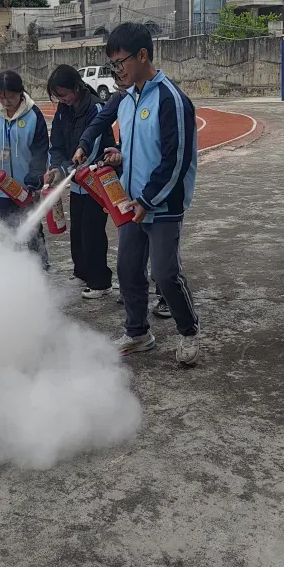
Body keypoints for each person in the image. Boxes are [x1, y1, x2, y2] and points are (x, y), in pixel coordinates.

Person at [85, 23, 200, 366]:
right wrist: (119, 156)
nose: (116, 70)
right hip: (131, 202)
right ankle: (138, 333)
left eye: (120, 62)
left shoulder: (171, 99)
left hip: (162, 205)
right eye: (112, 65)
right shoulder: (127, 100)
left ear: (143, 56)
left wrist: (148, 199)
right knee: (128, 269)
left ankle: (189, 331)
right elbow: (137, 147)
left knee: (164, 274)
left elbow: (175, 159)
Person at [74, 78, 171, 320]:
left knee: (163, 260)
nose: (119, 87)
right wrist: (88, 145)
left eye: (121, 69)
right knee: (129, 258)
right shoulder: (121, 99)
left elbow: (168, 152)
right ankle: (135, 316)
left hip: (158, 192)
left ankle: (166, 297)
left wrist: (153, 195)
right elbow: (100, 123)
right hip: (130, 190)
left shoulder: (164, 98)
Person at [46, 65, 115, 299]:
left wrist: (66, 169)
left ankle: (100, 282)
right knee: (77, 230)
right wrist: (56, 166)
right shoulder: (63, 110)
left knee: (92, 231)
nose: (61, 100)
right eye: (57, 96)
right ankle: (82, 272)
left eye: (63, 94)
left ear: (76, 87)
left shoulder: (95, 107)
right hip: (76, 181)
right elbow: (56, 142)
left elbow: (91, 148)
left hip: (95, 180)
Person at [0, 70, 50, 266]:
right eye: (2, 96)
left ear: (20, 93)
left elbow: (41, 150)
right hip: (2, 186)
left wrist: (34, 180)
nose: (6, 102)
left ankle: (40, 267)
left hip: (27, 185)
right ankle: (12, 269)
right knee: (7, 229)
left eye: (11, 97)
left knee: (32, 229)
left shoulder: (34, 114)